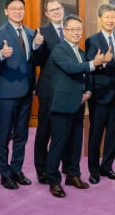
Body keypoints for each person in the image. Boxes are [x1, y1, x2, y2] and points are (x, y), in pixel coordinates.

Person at [46, 15, 108, 198]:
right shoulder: (59, 50)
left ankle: (73, 175)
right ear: (64, 31)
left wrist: (88, 93)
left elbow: (87, 76)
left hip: (79, 104)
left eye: (78, 30)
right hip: (62, 105)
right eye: (72, 29)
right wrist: (94, 63)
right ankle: (53, 180)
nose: (75, 33)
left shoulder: (80, 51)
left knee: (75, 143)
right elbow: (72, 68)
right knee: (58, 144)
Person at [0, 0, 41, 190]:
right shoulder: (0, 32)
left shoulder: (30, 33)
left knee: (22, 135)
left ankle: (16, 170)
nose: (18, 12)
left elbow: (33, 60)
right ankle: (4, 174)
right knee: (3, 136)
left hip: (27, 91)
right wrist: (2, 54)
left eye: (21, 8)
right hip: (7, 92)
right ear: (6, 11)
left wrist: (37, 45)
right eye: (14, 9)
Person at [84, 4, 115, 184]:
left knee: (113, 134)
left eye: (113, 17)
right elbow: (90, 66)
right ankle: (93, 170)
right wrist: (102, 62)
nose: (110, 20)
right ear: (100, 19)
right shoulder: (92, 40)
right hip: (99, 96)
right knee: (96, 134)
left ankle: (107, 167)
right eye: (107, 17)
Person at [32, 0, 65, 184]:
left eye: (58, 9)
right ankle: (41, 169)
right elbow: (38, 60)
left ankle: (61, 166)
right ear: (47, 13)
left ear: (63, 10)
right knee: (44, 130)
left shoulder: (70, 29)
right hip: (47, 88)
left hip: (66, 89)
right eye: (52, 10)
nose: (56, 12)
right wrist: (36, 46)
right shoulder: (41, 32)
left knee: (62, 130)